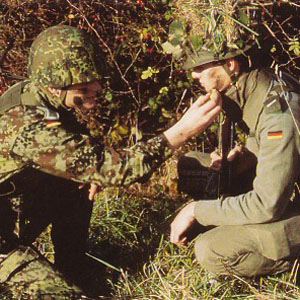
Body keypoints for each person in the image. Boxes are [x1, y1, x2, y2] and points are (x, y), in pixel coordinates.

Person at [0, 25, 221, 292]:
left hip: (11, 218)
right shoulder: (24, 123)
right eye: (84, 83)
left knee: (81, 181)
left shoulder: (41, 98)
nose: (97, 88)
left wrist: (91, 171)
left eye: (96, 78)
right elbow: (115, 168)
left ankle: (73, 268)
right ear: (55, 85)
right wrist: (180, 132)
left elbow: (86, 152)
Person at [170, 48, 300, 278]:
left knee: (211, 250)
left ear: (230, 65)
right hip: (285, 190)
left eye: (201, 68)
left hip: (282, 202)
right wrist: (245, 156)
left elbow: (266, 204)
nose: (194, 76)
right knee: (191, 163)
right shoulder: (261, 82)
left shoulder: (279, 116)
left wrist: (196, 211)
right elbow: (262, 139)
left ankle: (291, 263)